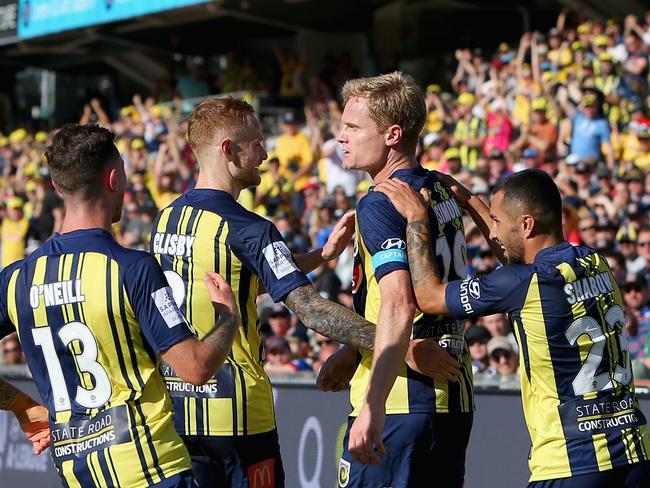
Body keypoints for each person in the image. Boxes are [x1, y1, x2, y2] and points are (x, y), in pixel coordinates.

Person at [151, 97, 447, 488]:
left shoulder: (167, 218)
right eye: (256, 143)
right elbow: (312, 312)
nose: (265, 152)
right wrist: (395, 344)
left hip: (177, 415)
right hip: (239, 419)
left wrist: (319, 257)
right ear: (228, 149)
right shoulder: (250, 227)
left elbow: (239, 282)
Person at [0, 123, 242, 487]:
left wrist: (22, 405)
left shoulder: (17, 279)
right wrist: (228, 317)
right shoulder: (132, 268)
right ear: (114, 180)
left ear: (57, 187)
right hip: (152, 471)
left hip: (78, 477)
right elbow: (195, 368)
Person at [377, 169, 650, 486]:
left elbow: (429, 296)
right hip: (635, 454)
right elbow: (517, 271)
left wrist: (415, 219)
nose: (492, 233)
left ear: (527, 224)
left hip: (572, 461)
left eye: (497, 222)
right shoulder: (595, 262)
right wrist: (467, 200)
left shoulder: (525, 282)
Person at [320, 72, 473, 488]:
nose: (340, 137)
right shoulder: (439, 189)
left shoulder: (381, 201)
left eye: (352, 127)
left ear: (391, 134)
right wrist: (353, 350)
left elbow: (399, 304)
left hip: (400, 401)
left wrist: (372, 405)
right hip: (452, 400)